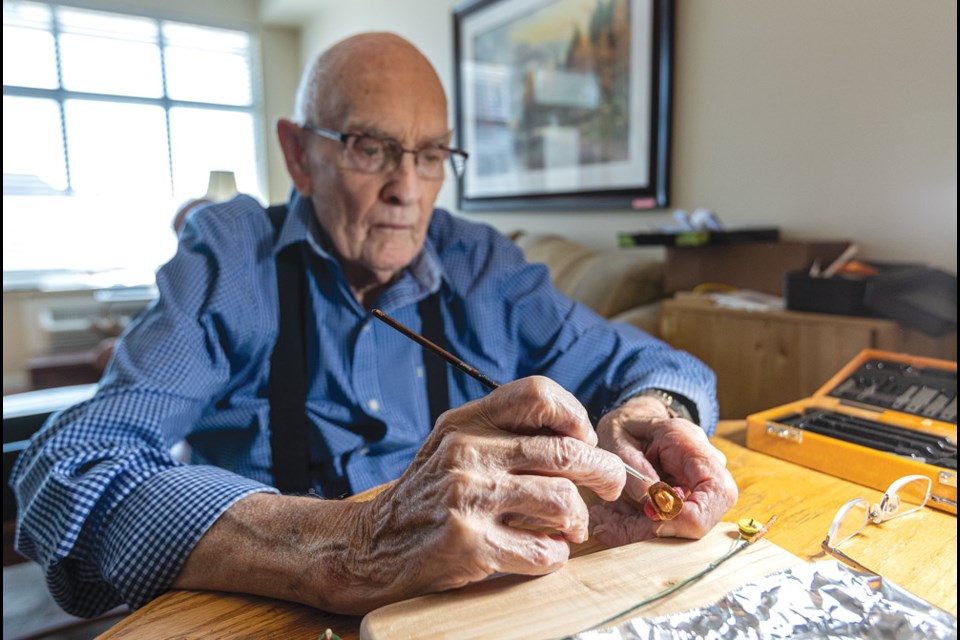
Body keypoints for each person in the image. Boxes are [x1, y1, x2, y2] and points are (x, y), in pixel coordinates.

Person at [12, 32, 737, 618]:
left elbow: (651, 366)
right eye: (371, 148)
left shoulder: (479, 263)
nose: (406, 190)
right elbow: (69, 472)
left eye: (430, 156)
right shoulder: (232, 257)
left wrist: (654, 414)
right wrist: (351, 546)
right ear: (300, 155)